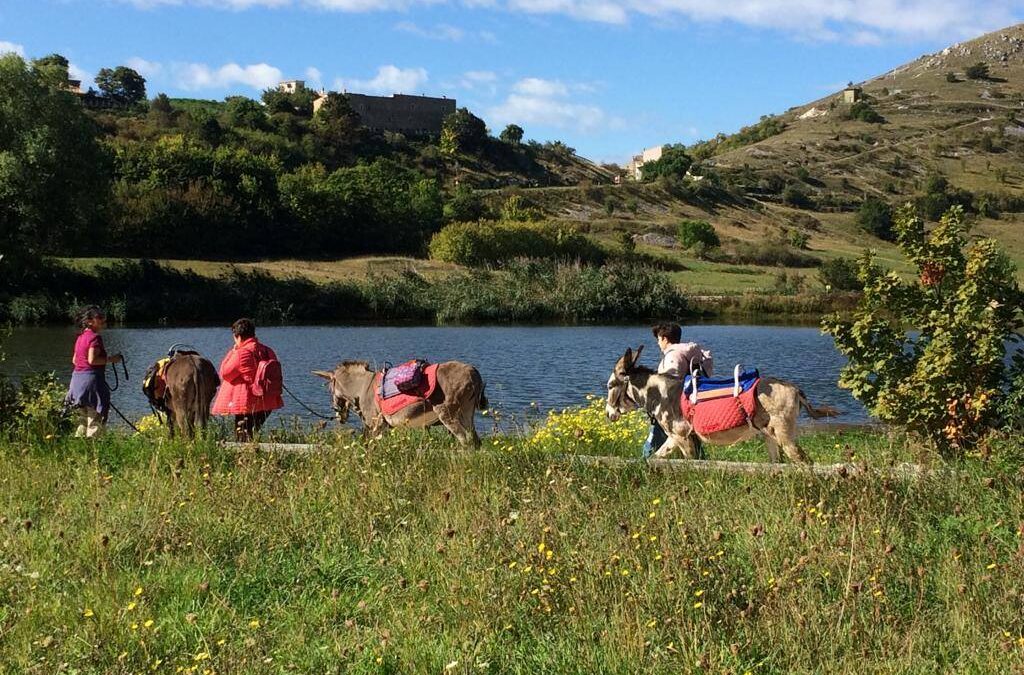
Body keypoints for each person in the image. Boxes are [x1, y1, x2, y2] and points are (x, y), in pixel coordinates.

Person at [642, 322, 713, 458]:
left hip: (671, 411)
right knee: (693, 444)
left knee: (651, 446)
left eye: (658, 339)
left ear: (664, 339)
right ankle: (702, 468)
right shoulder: (688, 353)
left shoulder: (672, 357)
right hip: (688, 408)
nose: (658, 343)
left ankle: (645, 468)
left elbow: (668, 388)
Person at [211, 318, 283, 441]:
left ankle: (245, 457)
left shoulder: (241, 353)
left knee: (242, 436)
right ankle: (253, 454)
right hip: (268, 400)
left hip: (247, 402)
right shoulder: (267, 350)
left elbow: (225, 373)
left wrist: (233, 351)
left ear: (238, 337)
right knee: (252, 432)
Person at [65, 306, 122, 438]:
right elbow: (92, 360)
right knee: (95, 419)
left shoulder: (80, 337)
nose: (104, 320)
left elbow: (75, 360)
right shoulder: (95, 338)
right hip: (91, 382)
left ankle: (79, 448)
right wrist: (111, 359)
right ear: (90, 321)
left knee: (82, 420)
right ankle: (94, 451)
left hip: (77, 382)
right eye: (100, 318)